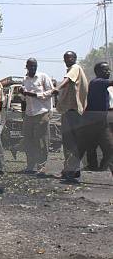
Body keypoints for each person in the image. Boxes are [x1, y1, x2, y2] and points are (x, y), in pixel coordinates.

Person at [52, 51, 88, 182]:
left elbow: (67, 80)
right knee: (72, 143)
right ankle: (74, 170)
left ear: (75, 58)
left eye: (70, 57)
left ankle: (69, 170)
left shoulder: (75, 68)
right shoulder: (73, 70)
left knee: (69, 143)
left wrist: (57, 88)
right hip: (71, 111)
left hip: (73, 112)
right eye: (65, 58)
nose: (67, 60)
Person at [20, 58, 54, 175]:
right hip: (29, 113)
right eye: (30, 66)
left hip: (42, 113)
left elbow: (51, 92)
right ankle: (30, 165)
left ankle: (41, 167)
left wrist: (34, 94)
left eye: (35, 66)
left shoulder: (43, 77)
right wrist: (23, 93)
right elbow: (24, 98)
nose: (33, 68)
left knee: (41, 141)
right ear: (27, 67)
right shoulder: (25, 79)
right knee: (28, 140)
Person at [81, 62, 113, 174]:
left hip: (97, 120)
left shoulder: (100, 84)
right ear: (98, 72)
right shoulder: (97, 82)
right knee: (104, 147)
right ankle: (95, 167)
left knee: (93, 146)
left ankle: (96, 166)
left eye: (109, 70)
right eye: (105, 70)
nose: (108, 72)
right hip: (94, 121)